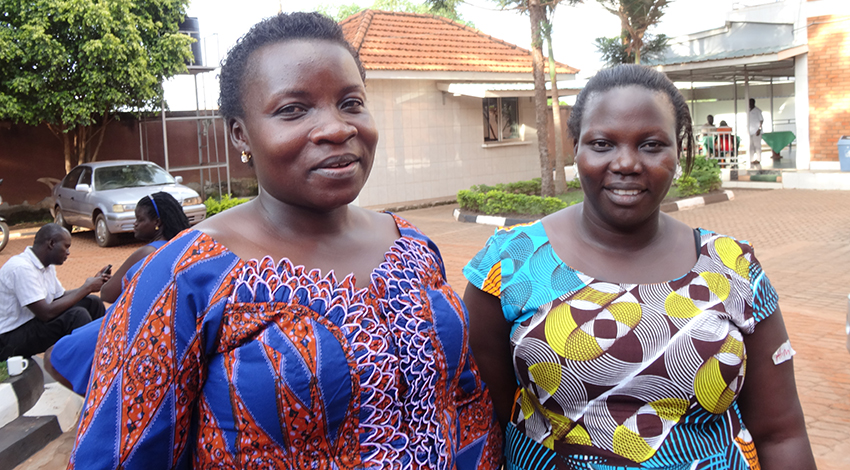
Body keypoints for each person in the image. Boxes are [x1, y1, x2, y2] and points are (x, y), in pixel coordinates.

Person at [69, 12, 502, 469]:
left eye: (351, 102)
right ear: (241, 133)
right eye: (293, 109)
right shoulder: (184, 277)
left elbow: (466, 403)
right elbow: (119, 452)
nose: (337, 128)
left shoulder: (413, 246)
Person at [463, 64, 816, 470]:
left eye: (650, 145)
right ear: (575, 147)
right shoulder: (512, 261)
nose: (626, 163)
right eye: (601, 144)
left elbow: (781, 432)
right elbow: (484, 418)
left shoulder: (734, 267)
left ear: (678, 151)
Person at [45, 192, 191, 394]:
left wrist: (100, 282)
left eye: (140, 219)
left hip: (130, 326)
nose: (135, 224)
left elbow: (107, 294)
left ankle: (95, 398)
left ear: (157, 222)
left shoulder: (147, 252)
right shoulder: (182, 248)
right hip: (163, 328)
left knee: (55, 357)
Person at [0, 224, 109, 361]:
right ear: (52, 243)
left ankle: (103, 352)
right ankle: (85, 365)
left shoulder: (46, 266)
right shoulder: (21, 268)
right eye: (66, 247)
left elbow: (60, 297)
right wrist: (86, 288)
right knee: (76, 315)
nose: (68, 253)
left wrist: (90, 286)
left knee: (93, 302)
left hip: (32, 324)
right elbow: (46, 313)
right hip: (8, 339)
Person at [748, 98, 764, 167]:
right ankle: (751, 159)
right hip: (749, 131)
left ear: (753, 103)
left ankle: (758, 159)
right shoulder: (748, 110)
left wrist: (759, 129)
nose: (750, 104)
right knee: (751, 146)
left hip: (756, 131)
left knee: (757, 146)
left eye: (751, 102)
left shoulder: (757, 111)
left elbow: (761, 120)